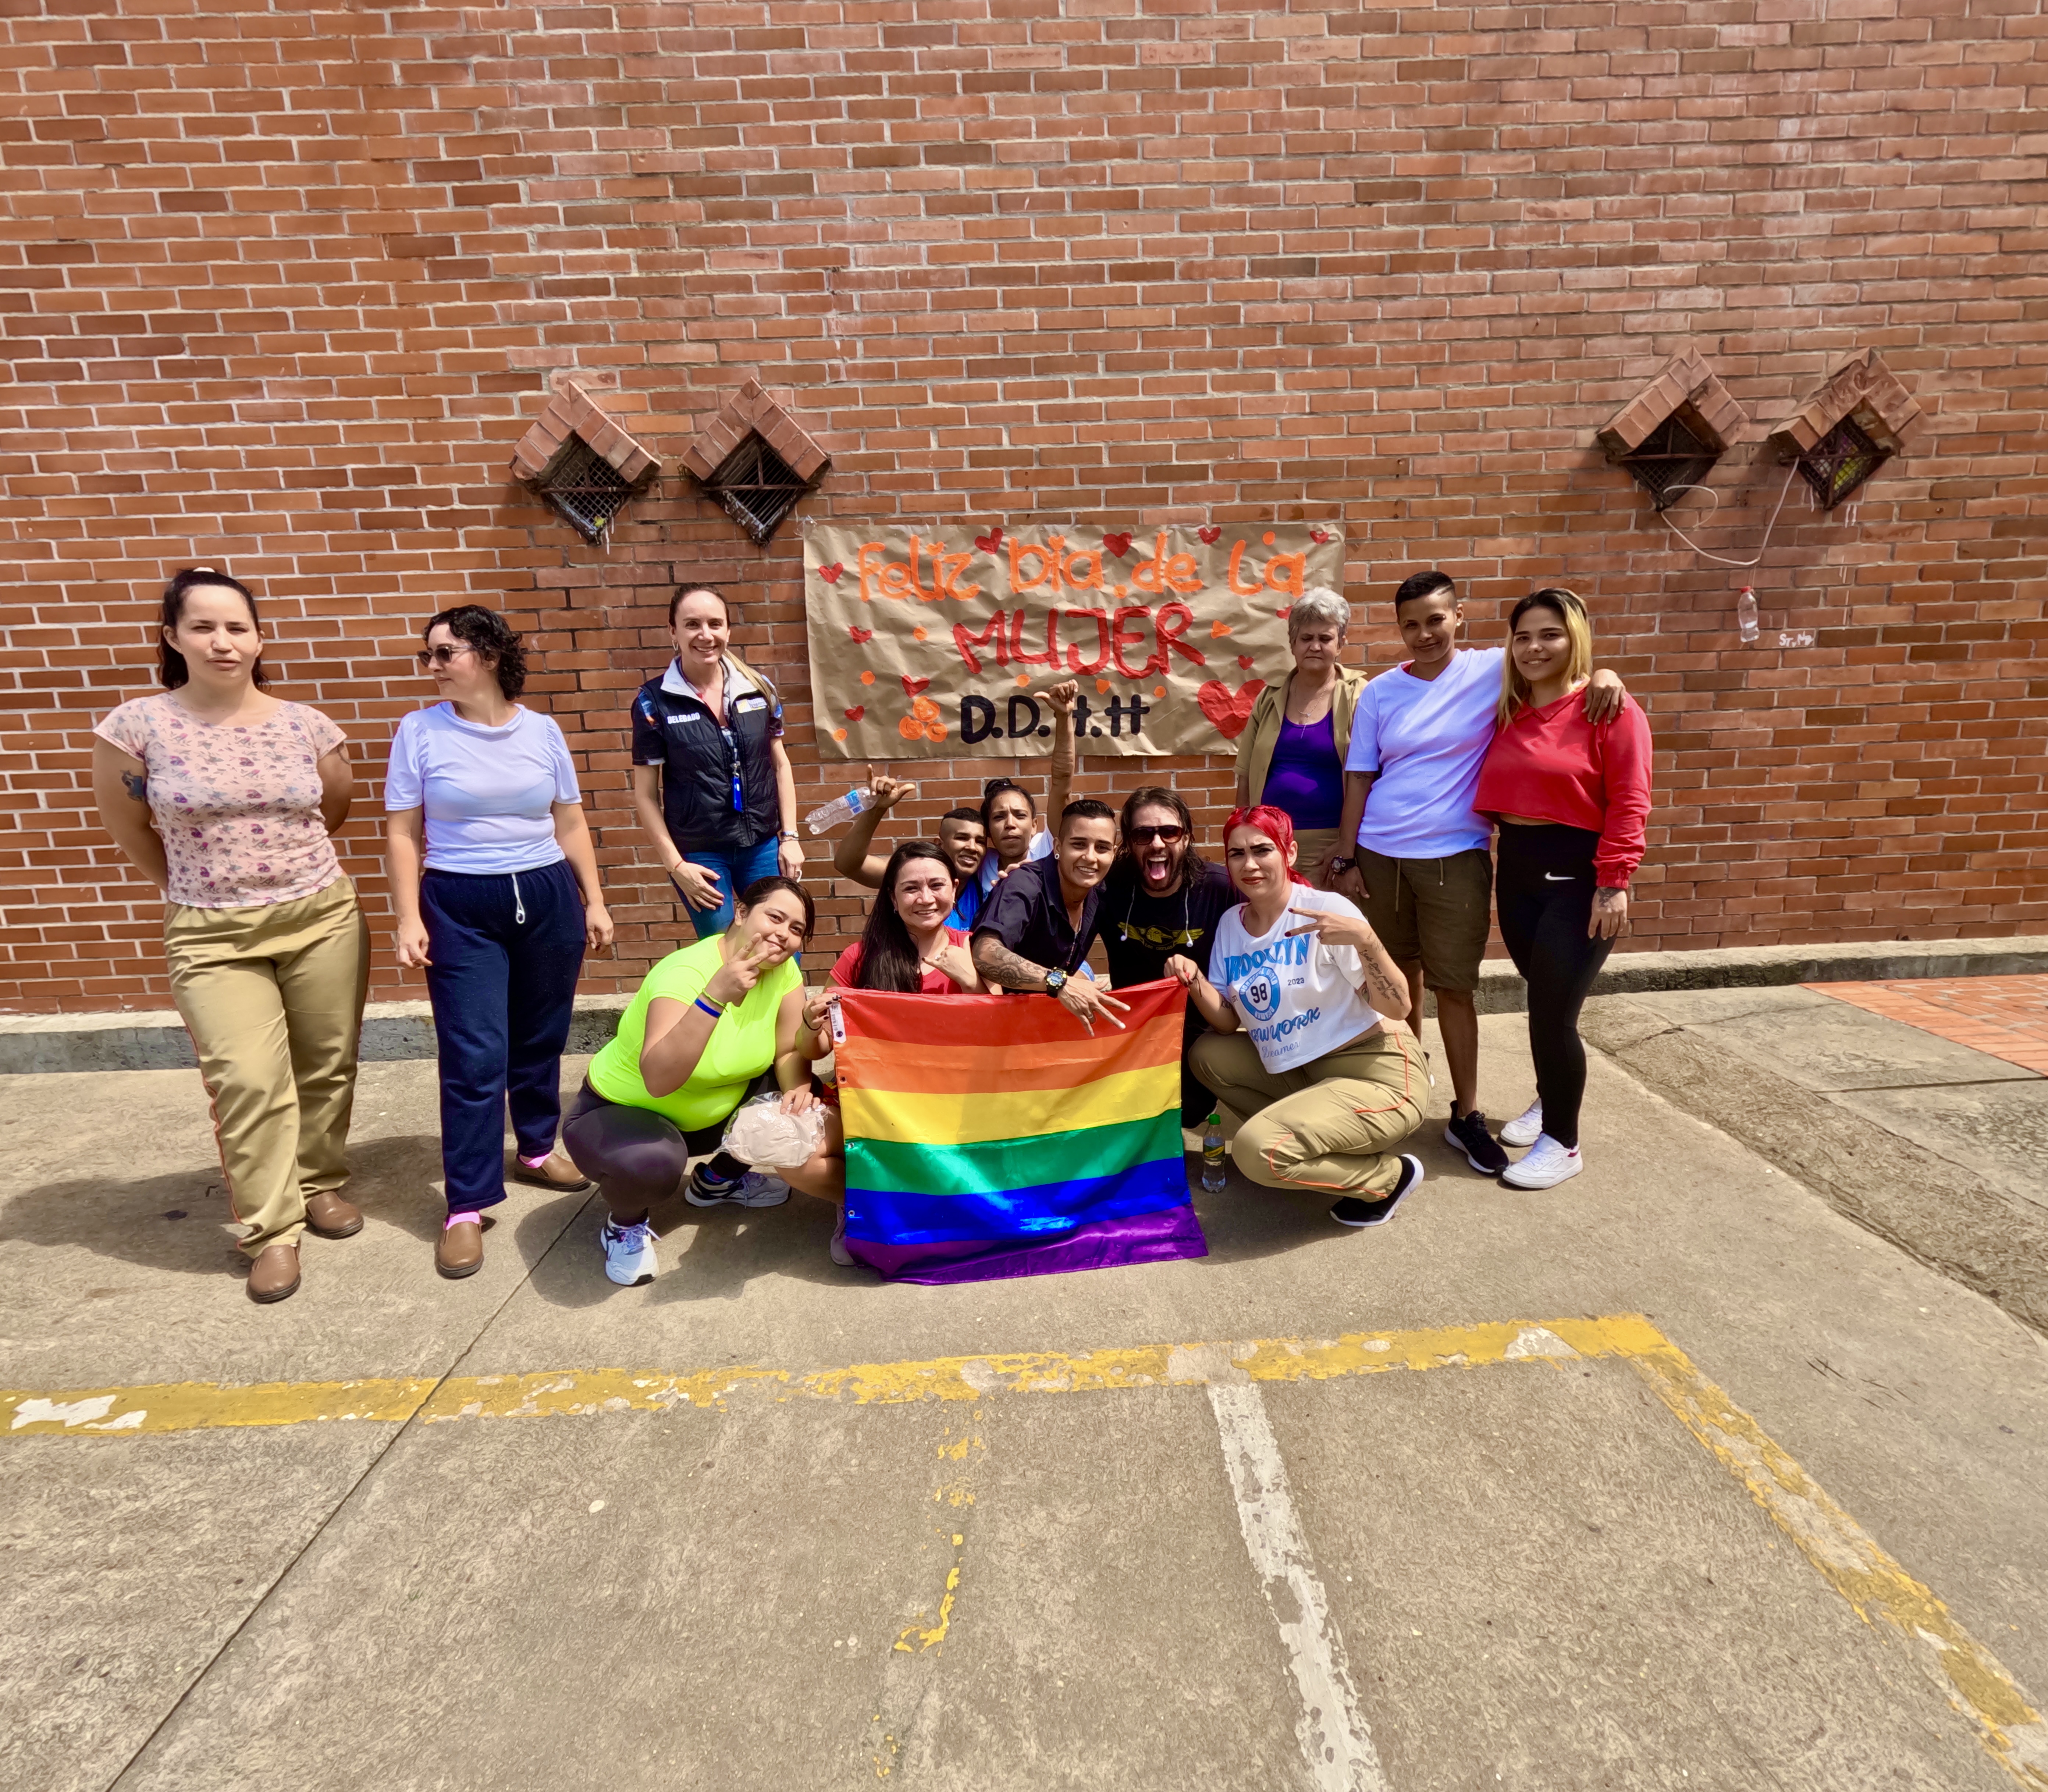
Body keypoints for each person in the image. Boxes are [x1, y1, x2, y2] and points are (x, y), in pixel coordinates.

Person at [92, 567, 369, 1304]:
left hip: (321, 917)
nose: (223, 641)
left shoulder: (306, 724)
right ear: (172, 637)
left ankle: (319, 1184)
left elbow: (332, 810)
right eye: (204, 626)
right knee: (247, 1080)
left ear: (259, 638)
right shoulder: (137, 726)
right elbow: (129, 827)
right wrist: (199, 882)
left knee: (328, 1064)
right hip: (211, 932)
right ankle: (271, 1230)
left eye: (237, 627)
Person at [1329, 570, 1627, 1176]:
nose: (1423, 634)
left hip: (1454, 856)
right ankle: (1405, 1095)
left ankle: (1465, 1114)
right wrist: (1345, 856)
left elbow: (1560, 662)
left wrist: (1605, 674)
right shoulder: (1381, 693)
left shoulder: (1493, 669)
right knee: (1394, 980)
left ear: (1458, 617)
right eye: (1409, 624)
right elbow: (1359, 776)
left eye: (1435, 619)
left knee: (1454, 988)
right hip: (1380, 850)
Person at [384, 605, 614, 1280]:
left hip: (545, 895)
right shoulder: (419, 731)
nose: (432, 666)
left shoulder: (541, 730)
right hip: (459, 902)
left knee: (542, 1034)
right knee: (475, 1052)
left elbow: (569, 820)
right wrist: (407, 916)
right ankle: (466, 1203)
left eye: (444, 652)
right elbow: (402, 830)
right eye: (428, 654)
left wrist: (593, 899)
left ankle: (537, 1147)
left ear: (485, 654)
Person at [562, 877, 849, 1284]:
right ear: (742, 912)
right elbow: (660, 1079)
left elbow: (787, 1051)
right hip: (623, 1116)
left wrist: (797, 1090)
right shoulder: (684, 973)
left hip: (712, 1114)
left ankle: (716, 1182)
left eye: (797, 929)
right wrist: (713, 997)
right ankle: (624, 1225)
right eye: (776, 917)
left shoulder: (784, 972)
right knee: (652, 1165)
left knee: (792, 1100)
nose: (784, 934)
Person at [1170, 806, 1428, 1229]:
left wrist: (1367, 941)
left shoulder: (1324, 911)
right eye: (1237, 854)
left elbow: (1398, 1008)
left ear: (1289, 853)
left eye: (1262, 850)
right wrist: (1195, 980)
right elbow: (1225, 1023)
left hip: (1375, 1071)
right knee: (1207, 1056)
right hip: (1304, 1071)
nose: (1249, 864)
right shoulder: (1231, 925)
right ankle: (1324, 1140)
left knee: (1257, 1152)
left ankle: (1390, 1178)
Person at [1473, 588, 1651, 1191]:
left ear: (1574, 636)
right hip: (1518, 869)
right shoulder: (1509, 709)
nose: (1533, 647)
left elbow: (1629, 799)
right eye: (1522, 636)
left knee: (1553, 1016)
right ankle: (1549, 1102)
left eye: (1548, 634)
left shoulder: (1609, 708)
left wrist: (1613, 883)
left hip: (1578, 878)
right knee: (1541, 999)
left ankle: (1564, 1141)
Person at [630, 583, 803, 939]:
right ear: (673, 632)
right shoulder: (653, 702)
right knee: (724, 954)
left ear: (728, 630)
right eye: (692, 624)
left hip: (764, 846)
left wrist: (790, 837)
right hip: (701, 855)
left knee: (782, 947)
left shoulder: (758, 689)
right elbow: (646, 795)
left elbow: (781, 766)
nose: (705, 635)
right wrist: (676, 865)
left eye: (715, 624)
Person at [1097, 786, 1237, 1126]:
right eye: (1143, 834)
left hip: (1196, 1028)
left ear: (1186, 838)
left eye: (1169, 832)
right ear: (1129, 844)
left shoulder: (1219, 888)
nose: (1157, 844)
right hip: (1131, 1024)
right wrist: (1028, 878)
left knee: (1188, 1114)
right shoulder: (1109, 885)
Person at [1235, 586, 1367, 888]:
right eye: (1306, 638)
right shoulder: (1269, 698)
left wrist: (1349, 850)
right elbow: (1245, 778)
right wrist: (1242, 840)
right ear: (1293, 643)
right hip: (1269, 843)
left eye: (1325, 638)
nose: (1315, 647)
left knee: (1326, 932)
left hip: (1333, 848)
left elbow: (1368, 777)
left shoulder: (1360, 695)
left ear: (1342, 642)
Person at [969, 797, 1128, 1034]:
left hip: (1048, 1020)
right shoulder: (1023, 884)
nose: (1091, 857)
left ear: (1113, 854)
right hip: (996, 1025)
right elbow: (985, 955)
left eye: (1102, 848)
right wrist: (1060, 983)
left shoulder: (1103, 890)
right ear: (1057, 847)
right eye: (1079, 845)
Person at [964, 679, 1078, 926]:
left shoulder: (1048, 848)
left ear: (1035, 825)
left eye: (1020, 815)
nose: (1010, 824)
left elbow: (1062, 784)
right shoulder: (982, 861)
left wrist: (1064, 718)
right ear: (988, 831)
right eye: (998, 817)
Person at [829, 777, 989, 930]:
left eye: (980, 841)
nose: (973, 847)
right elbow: (848, 865)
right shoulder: (916, 869)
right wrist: (877, 810)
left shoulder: (987, 876)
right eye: (962, 838)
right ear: (939, 844)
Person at [826, 841, 983, 995]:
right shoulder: (859, 957)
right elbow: (825, 1017)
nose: (926, 899)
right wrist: (811, 1015)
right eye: (911, 888)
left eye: (937, 885)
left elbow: (997, 1018)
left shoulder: (976, 949)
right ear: (893, 898)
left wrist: (970, 982)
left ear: (954, 889)